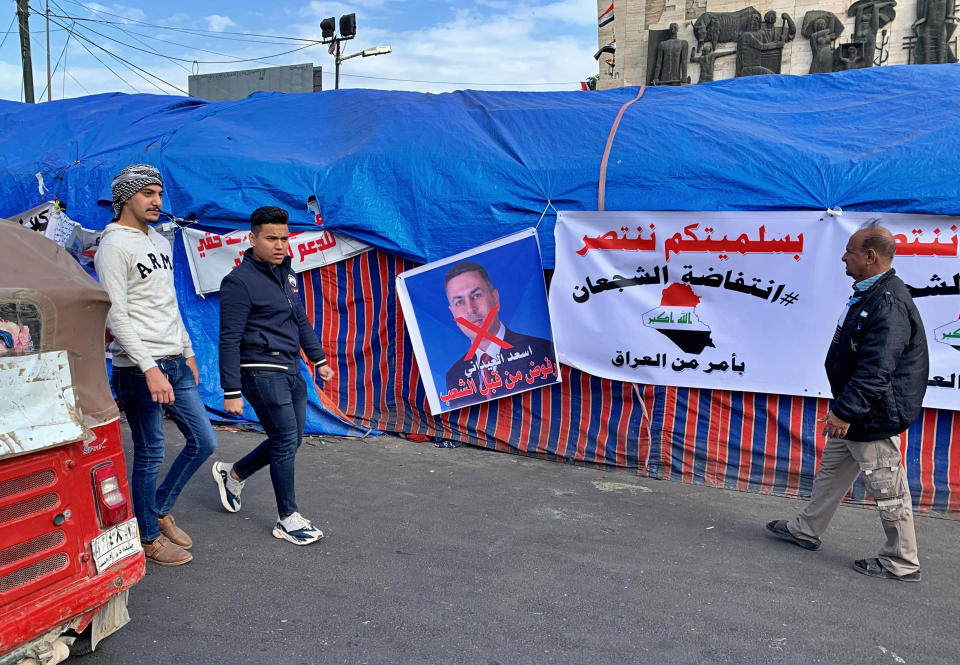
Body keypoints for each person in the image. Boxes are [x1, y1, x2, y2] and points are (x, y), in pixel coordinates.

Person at [766, 225, 928, 582]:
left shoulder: (888, 303)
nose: (844, 256)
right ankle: (805, 530)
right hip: (856, 411)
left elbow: (877, 369)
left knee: (887, 489)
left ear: (871, 256)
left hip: (872, 415)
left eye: (850, 251)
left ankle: (901, 562)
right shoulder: (871, 294)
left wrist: (845, 410)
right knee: (831, 474)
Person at [95, 164, 217, 566]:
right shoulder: (113, 247)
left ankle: (159, 509)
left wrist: (188, 350)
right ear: (126, 197)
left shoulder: (160, 243)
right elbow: (116, 315)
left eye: (159, 194)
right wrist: (148, 367)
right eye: (148, 193)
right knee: (150, 451)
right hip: (138, 366)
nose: (157, 202)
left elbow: (169, 303)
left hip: (174, 361)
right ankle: (146, 535)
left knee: (204, 441)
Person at [213, 206, 334, 546]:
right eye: (271, 239)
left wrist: (319, 359)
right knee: (284, 440)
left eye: (284, 238)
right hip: (260, 370)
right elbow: (229, 337)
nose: (280, 245)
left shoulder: (287, 275)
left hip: (292, 369)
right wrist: (231, 390)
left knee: (291, 439)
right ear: (252, 239)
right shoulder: (239, 282)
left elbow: (300, 320)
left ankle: (233, 473)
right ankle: (287, 518)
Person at [442, 261, 557, 407]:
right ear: (453, 312)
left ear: (495, 298)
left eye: (476, 295)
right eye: (459, 302)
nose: (471, 309)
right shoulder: (454, 375)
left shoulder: (541, 351)